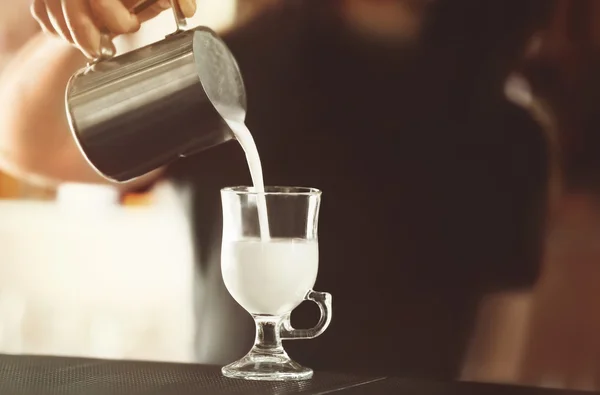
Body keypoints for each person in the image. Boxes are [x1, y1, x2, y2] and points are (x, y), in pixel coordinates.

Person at [0, 0, 551, 379]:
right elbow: (28, 143)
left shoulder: (510, 134)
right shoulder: (247, 66)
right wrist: (88, 26)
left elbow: (499, 346)